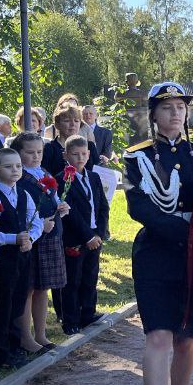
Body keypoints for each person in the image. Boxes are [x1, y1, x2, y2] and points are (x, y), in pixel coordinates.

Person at [124, 82, 193, 385]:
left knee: (186, 340)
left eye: (181, 107)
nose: (176, 113)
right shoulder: (137, 156)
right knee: (159, 336)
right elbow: (139, 207)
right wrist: (187, 233)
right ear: (154, 115)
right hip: (157, 255)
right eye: (167, 107)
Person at [0, 148, 42, 370]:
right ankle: (0, 352)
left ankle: (15, 345)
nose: (15, 170)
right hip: (4, 259)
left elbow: (35, 221)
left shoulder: (24, 194)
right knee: (4, 304)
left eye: (18, 166)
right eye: (9, 166)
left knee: (19, 301)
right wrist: (13, 239)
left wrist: (31, 238)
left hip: (23, 256)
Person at [13, 132, 67, 353]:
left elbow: (52, 197)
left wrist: (60, 207)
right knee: (28, 288)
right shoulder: (19, 177)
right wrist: (37, 224)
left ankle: (41, 334)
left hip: (50, 236)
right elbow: (18, 208)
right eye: (29, 152)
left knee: (42, 288)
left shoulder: (43, 172)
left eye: (39, 152)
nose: (36, 156)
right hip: (32, 239)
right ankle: (25, 337)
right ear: (18, 154)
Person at [61, 135, 109, 334]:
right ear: (66, 155)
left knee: (90, 275)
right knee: (73, 280)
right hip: (76, 238)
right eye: (75, 154)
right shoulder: (63, 179)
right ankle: (70, 320)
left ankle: (88, 313)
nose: (80, 158)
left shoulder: (94, 177)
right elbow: (69, 213)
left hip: (95, 237)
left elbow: (102, 206)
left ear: (89, 154)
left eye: (83, 154)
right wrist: (87, 236)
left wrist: (99, 232)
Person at [43, 104, 100, 180]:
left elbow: (98, 173)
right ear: (57, 124)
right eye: (67, 121)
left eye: (76, 121)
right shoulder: (49, 149)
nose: (73, 124)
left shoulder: (89, 146)